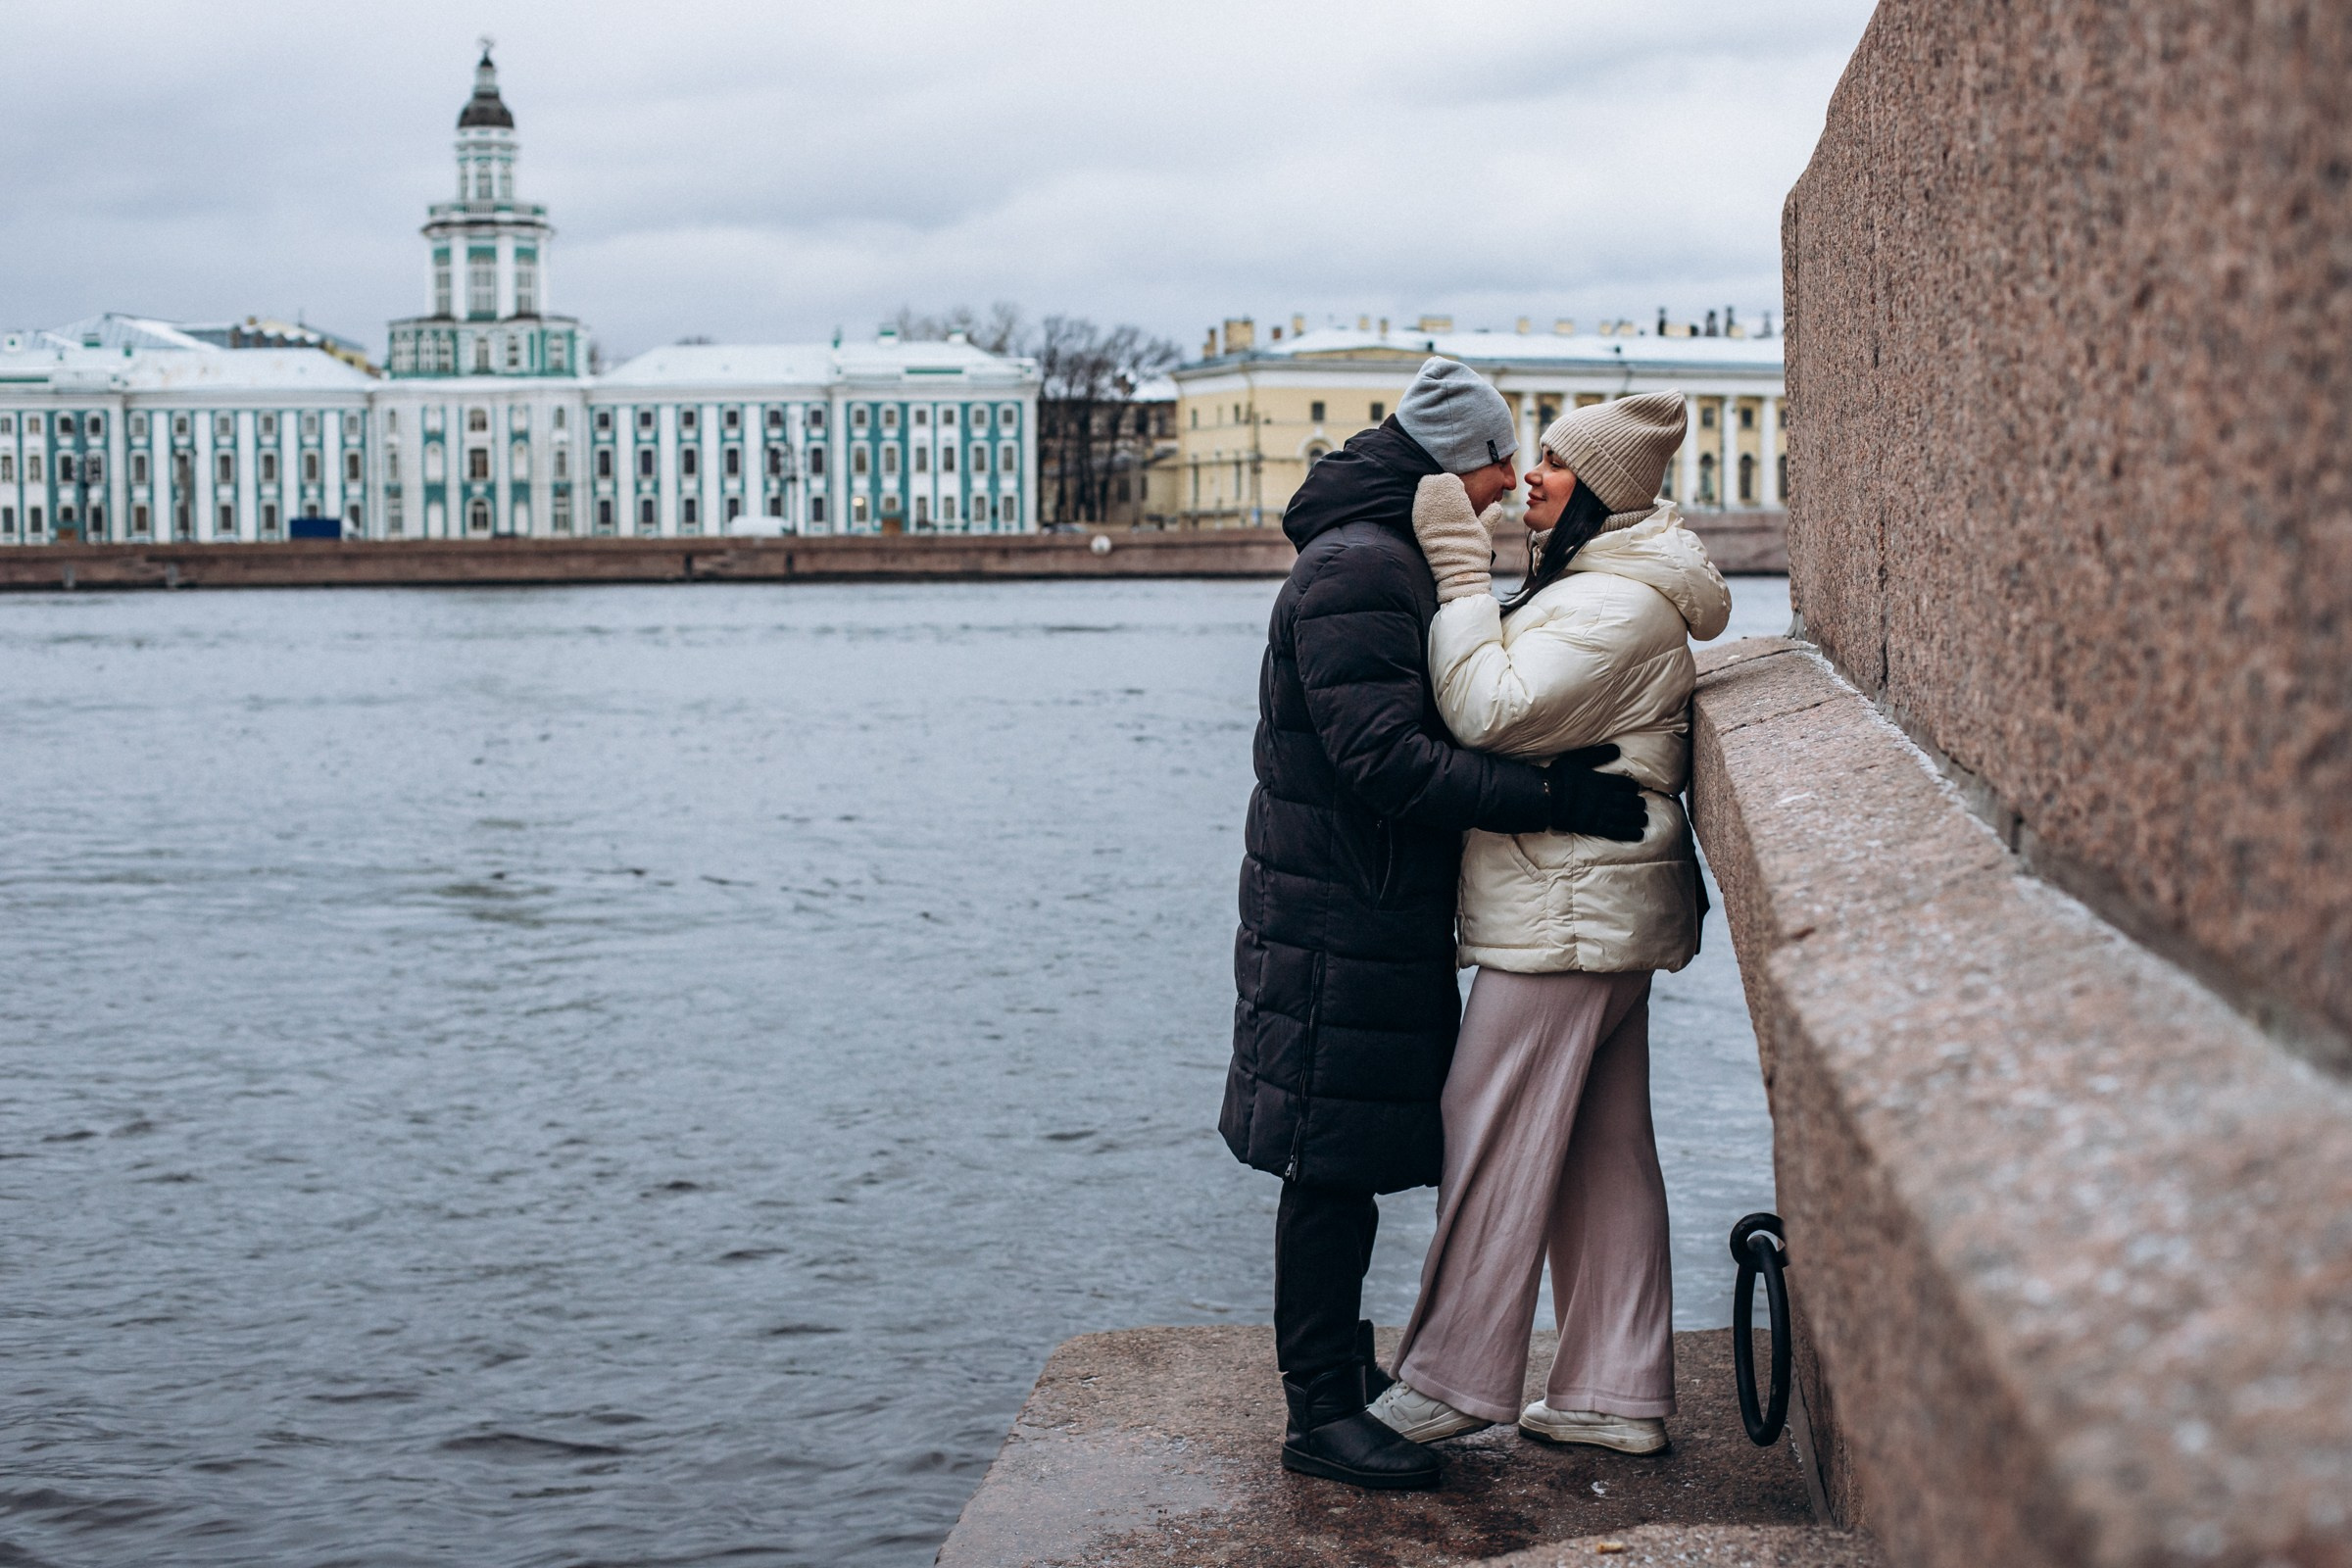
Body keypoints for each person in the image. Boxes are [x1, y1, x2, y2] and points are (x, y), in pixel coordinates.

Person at [1220, 358, 1648, 1492]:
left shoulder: (1383, 553)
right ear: (1457, 463)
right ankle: (1320, 1411)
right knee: (1326, 1162)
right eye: (1501, 460)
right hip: (1336, 908)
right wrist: (1549, 798)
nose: (1511, 483)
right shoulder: (1362, 568)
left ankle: (1342, 1372)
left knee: (1346, 1150)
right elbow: (1385, 760)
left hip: (1357, 899)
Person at [1362, 390, 1730, 1457]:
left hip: (1568, 906)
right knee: (1599, 1151)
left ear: (1602, 493)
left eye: (1559, 463)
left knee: (1486, 1123)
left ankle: (1451, 1379)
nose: (1532, 473)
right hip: (1591, 902)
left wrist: (1461, 579)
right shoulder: (1602, 585)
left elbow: (1487, 710)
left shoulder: (1615, 605)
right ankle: (1614, 1392)